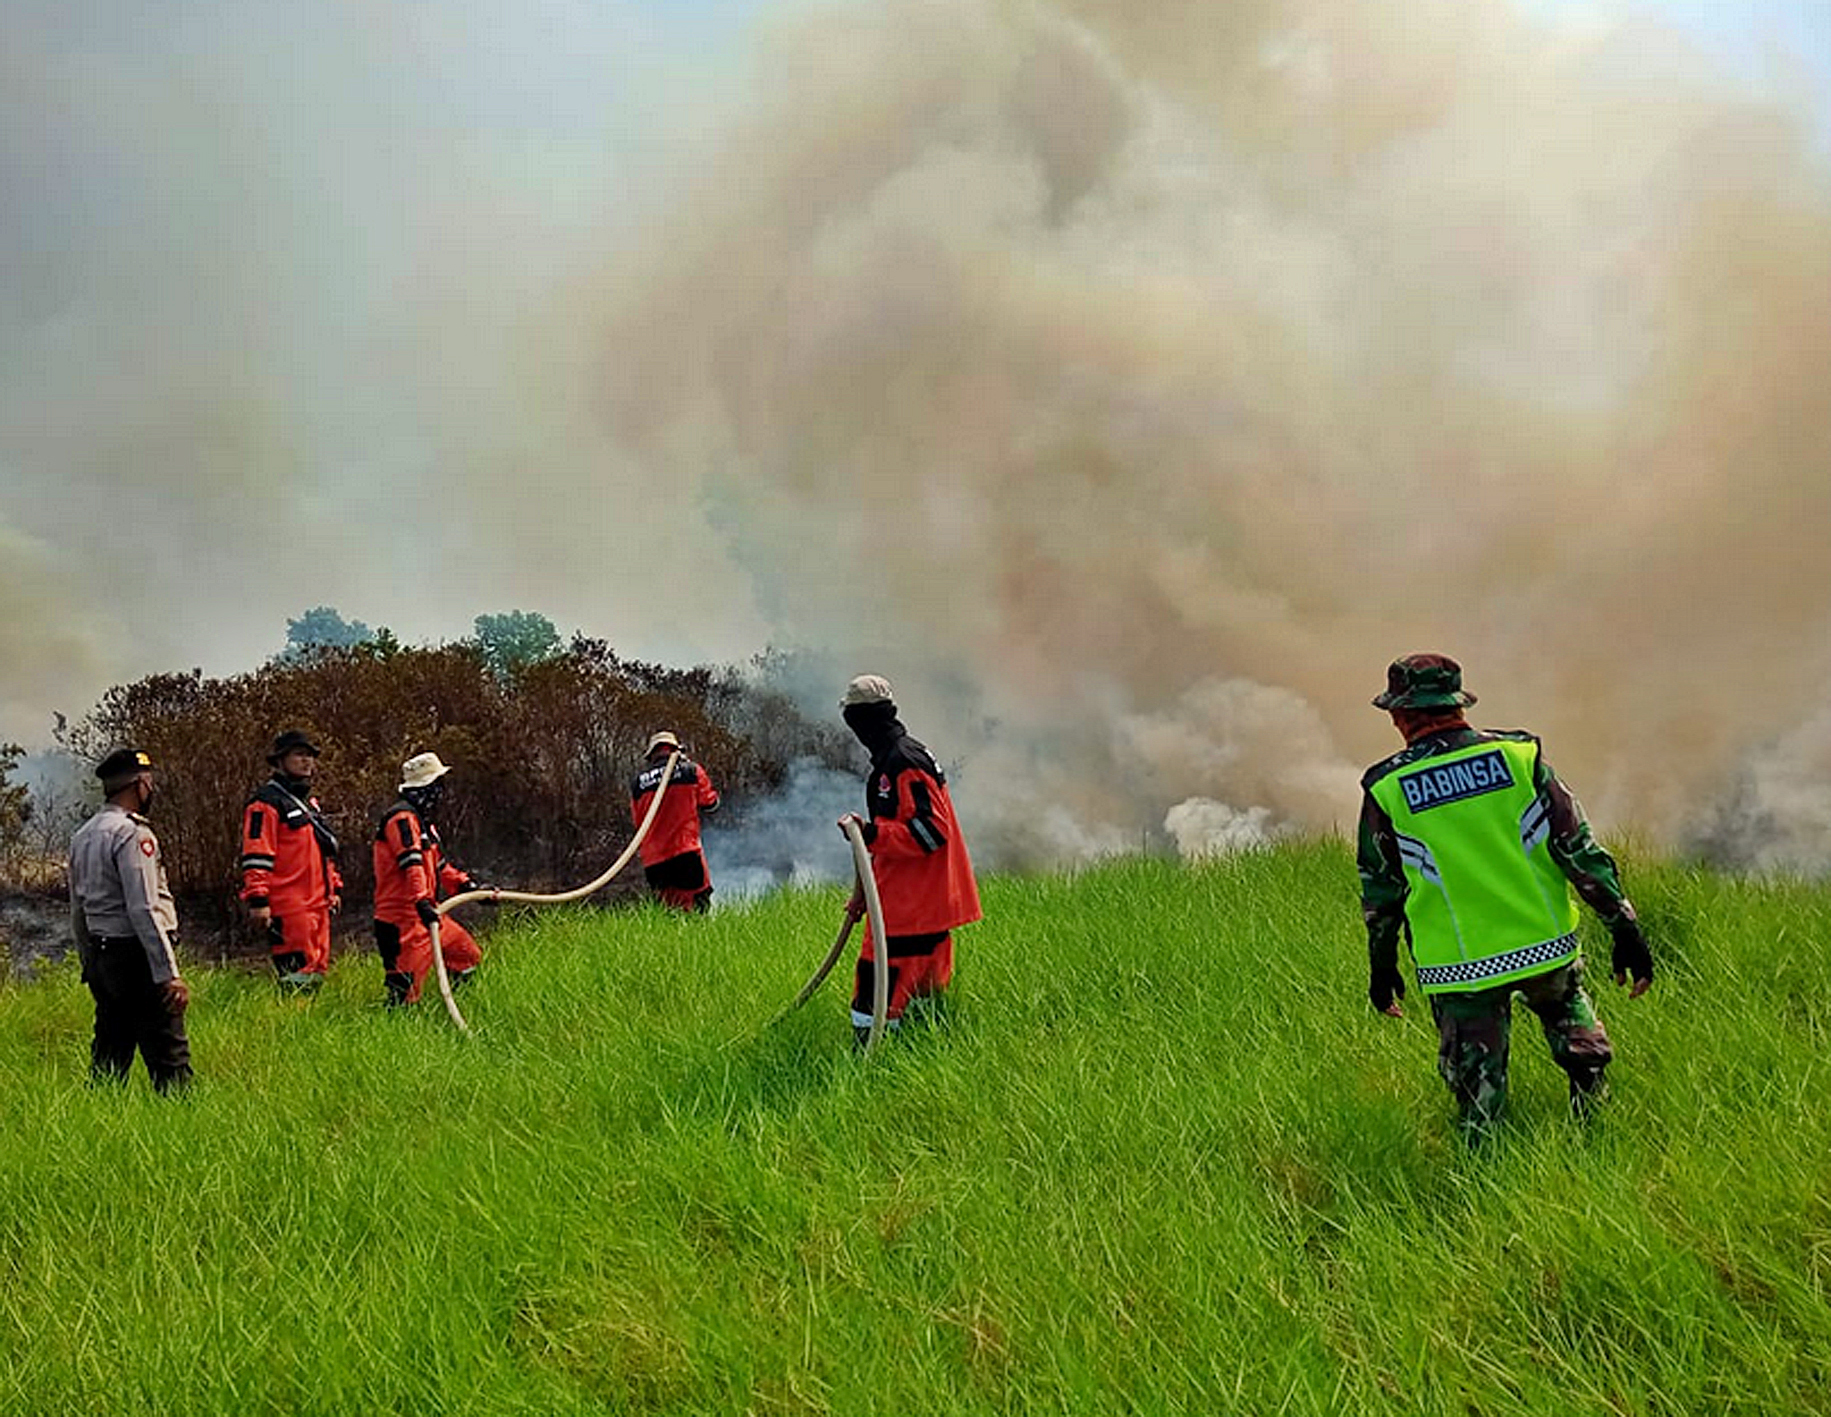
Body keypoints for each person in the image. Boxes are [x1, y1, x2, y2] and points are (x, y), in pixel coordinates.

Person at [1357, 653, 1654, 1135]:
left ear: (1401, 715)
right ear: (1458, 705)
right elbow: (1578, 851)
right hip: (1544, 945)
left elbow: (1381, 890)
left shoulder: (1387, 786)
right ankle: (1597, 1129)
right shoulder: (1520, 758)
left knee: (1478, 1101)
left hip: (1461, 967)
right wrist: (1626, 929)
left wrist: (1383, 966)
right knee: (1582, 1051)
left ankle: (1483, 1167)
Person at [836, 675, 981, 1045]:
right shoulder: (898, 757)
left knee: (873, 1001)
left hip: (908, 912)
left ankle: (867, 1065)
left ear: (860, 720)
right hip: (918, 906)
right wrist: (863, 896)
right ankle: (919, 1058)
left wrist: (870, 834)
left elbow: (932, 831)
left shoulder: (903, 761)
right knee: (923, 1011)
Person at [67, 747, 192, 1093]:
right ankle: (181, 1118)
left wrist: (90, 962)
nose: (152, 789)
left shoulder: (83, 835)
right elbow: (144, 907)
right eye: (149, 782)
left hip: (103, 954)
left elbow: (78, 909)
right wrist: (168, 974)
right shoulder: (133, 834)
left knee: (110, 1054)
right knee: (169, 1057)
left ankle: (98, 1117)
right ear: (138, 785)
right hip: (136, 958)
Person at [371, 752, 493, 1006]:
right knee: (405, 993)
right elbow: (411, 864)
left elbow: (439, 866)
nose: (441, 793)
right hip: (403, 921)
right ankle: (398, 1024)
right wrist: (421, 900)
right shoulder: (402, 819)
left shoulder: (424, 823)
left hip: (430, 915)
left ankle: (464, 1005)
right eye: (437, 785)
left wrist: (467, 887)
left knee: (466, 956)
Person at [239, 729, 342, 994]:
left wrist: (333, 889)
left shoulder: (308, 804)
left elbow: (322, 851)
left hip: (318, 905)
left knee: (317, 972)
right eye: (299, 755)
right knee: (297, 976)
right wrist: (259, 900)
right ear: (280, 761)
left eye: (310, 755)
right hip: (290, 906)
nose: (307, 761)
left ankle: (311, 1018)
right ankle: (293, 1018)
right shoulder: (265, 803)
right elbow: (257, 853)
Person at [630, 731, 720, 912]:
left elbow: (639, 823)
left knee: (668, 911)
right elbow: (711, 803)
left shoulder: (638, 783)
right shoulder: (691, 771)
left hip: (654, 862)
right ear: (676, 750)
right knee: (698, 905)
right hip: (685, 852)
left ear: (651, 755)